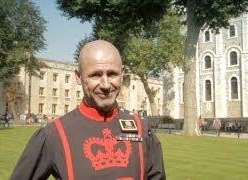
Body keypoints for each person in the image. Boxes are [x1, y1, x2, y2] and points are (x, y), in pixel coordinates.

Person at [11, 40, 166, 180]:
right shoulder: (54, 134)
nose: (105, 85)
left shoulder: (142, 129)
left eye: (112, 74)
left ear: (122, 73)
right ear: (78, 76)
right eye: (95, 75)